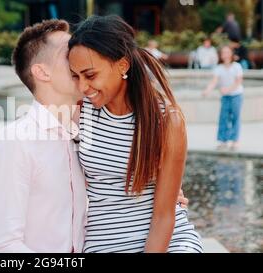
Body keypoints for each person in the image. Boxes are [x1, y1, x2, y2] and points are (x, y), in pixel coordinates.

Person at [0, 19, 190, 253]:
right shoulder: (17, 142)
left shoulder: (80, 120)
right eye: (69, 55)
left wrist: (166, 189)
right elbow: (3, 247)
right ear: (42, 72)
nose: (78, 56)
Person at [68, 15, 203, 253]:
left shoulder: (166, 121)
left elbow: (164, 215)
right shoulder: (77, 109)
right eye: (75, 76)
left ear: (122, 65)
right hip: (103, 244)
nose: (82, 87)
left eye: (90, 75)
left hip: (167, 244)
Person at [203, 45, 244, 151]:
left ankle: (235, 140)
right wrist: (208, 89)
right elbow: (214, 81)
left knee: (235, 117)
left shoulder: (237, 66)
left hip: (236, 95)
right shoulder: (219, 68)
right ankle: (223, 140)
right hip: (225, 97)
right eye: (223, 52)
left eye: (227, 52)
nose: (225, 54)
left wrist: (228, 89)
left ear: (231, 53)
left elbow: (238, 81)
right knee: (223, 118)